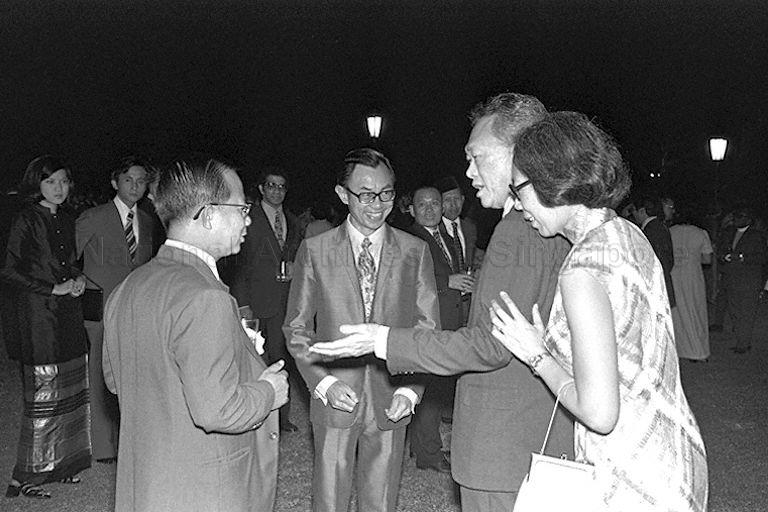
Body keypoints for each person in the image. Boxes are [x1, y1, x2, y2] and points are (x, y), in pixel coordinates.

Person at [309, 93, 573, 511]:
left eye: (476, 156)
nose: (468, 172)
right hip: (529, 435)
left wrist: (383, 341)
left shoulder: (517, 231)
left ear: (519, 152)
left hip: (503, 445)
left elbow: (490, 346)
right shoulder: (546, 227)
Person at [489, 111, 708, 511]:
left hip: (628, 475)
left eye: (518, 189)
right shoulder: (629, 236)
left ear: (551, 180)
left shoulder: (582, 270)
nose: (516, 204)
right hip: (674, 452)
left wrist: (537, 354)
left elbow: (600, 412)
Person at [102, 157, 289, 512]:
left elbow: (117, 381)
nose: (248, 218)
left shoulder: (128, 287)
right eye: (242, 208)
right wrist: (269, 391)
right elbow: (218, 411)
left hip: (147, 486)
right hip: (203, 490)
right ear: (210, 215)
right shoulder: (206, 297)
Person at [284, 148, 438, 512]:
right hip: (335, 395)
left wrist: (411, 390)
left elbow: (427, 330)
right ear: (342, 194)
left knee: (381, 501)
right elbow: (297, 327)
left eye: (386, 194)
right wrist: (323, 383)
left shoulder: (415, 251)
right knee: (329, 499)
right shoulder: (316, 250)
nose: (377, 205)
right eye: (365, 195)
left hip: (392, 396)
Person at [1, 155, 91, 499]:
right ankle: (25, 477)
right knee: (44, 393)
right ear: (36, 183)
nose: (59, 188)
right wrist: (53, 288)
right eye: (51, 181)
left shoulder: (66, 218)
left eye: (64, 181)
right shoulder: (25, 219)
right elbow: (8, 269)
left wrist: (78, 278)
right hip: (39, 315)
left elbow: (68, 264)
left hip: (68, 313)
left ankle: (62, 465)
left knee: (72, 390)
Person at [76, 156, 156, 463]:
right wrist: (77, 276)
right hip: (100, 308)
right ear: (114, 183)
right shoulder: (93, 217)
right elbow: (66, 256)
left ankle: (130, 441)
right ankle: (103, 447)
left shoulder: (147, 221)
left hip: (134, 309)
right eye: (128, 180)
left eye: (140, 181)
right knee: (99, 375)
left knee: (132, 375)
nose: (135, 186)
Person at [224, 168, 302, 432]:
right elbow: (237, 265)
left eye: (281, 187)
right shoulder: (247, 218)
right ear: (261, 188)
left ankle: (281, 418)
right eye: (271, 186)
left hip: (284, 303)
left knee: (281, 360)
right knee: (253, 361)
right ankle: (254, 417)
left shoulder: (293, 221)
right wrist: (242, 303)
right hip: (254, 302)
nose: (276, 191)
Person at [406, 185, 472, 473]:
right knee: (429, 391)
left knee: (435, 388)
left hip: (449, 322)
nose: (431, 209)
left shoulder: (445, 235)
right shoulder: (409, 238)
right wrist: (448, 283)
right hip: (428, 323)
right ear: (412, 209)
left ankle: (421, 446)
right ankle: (428, 454)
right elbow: (409, 279)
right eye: (424, 205)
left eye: (436, 203)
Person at [711, 206, 768, 353]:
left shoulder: (756, 235)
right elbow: (720, 251)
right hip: (731, 279)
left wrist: (742, 257)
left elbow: (762, 258)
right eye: (736, 216)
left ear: (749, 219)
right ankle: (742, 338)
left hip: (749, 281)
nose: (737, 219)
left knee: (747, 313)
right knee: (734, 311)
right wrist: (724, 256)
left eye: (741, 216)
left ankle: (743, 343)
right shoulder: (730, 233)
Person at [669, 208, 714, 361]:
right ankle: (698, 351)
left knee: (677, 313)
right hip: (693, 277)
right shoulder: (700, 233)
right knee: (696, 311)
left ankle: (681, 349)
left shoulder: (670, 231)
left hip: (674, 276)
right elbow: (707, 260)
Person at [435, 175, 478, 325]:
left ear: (463, 200)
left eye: (457, 199)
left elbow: (475, 259)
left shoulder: (470, 228)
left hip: (470, 305)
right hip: (444, 308)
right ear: (439, 203)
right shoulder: (433, 231)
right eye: (447, 200)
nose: (453, 204)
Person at [632, 196, 676, 307]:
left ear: (642, 211)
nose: (633, 215)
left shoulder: (650, 230)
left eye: (634, 211)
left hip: (655, 286)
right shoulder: (659, 227)